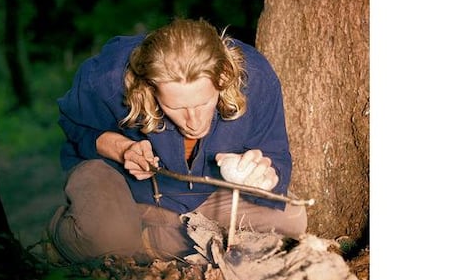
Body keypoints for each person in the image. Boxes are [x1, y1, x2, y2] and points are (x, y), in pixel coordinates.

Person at [48, 18, 307, 264]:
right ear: (149, 87)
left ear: (224, 76)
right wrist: (122, 149)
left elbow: (275, 155)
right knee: (106, 241)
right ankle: (72, 235)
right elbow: (75, 126)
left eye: (203, 103)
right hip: (114, 177)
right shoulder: (108, 77)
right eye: (175, 107)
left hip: (198, 196)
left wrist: (263, 178)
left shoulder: (255, 77)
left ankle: (144, 238)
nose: (193, 121)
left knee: (292, 219)